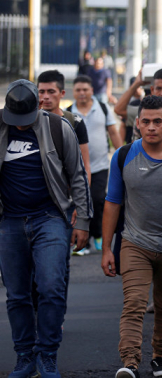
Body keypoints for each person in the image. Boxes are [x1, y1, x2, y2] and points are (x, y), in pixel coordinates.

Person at [100, 95, 162, 378]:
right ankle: (130, 362)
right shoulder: (123, 156)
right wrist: (107, 248)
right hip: (135, 242)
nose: (151, 127)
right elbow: (112, 202)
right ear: (137, 124)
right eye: (145, 121)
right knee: (134, 302)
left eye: (158, 121)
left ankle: (159, 356)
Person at [0, 79, 91, 378]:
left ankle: (47, 354)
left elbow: (77, 176)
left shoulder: (57, 127)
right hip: (10, 222)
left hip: (49, 217)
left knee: (51, 286)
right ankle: (25, 356)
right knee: (16, 294)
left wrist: (84, 222)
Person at [68, 75, 123, 254]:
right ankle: (81, 241)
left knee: (98, 200)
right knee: (79, 202)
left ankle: (97, 234)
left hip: (100, 166)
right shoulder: (68, 113)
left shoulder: (103, 108)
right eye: (78, 90)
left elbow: (113, 133)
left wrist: (122, 154)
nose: (82, 93)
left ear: (92, 91)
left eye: (85, 89)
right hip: (76, 168)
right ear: (73, 92)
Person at [37, 70, 92, 183]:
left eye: (51, 91)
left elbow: (85, 164)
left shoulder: (74, 122)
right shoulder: (28, 122)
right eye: (41, 91)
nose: (46, 96)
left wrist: (83, 198)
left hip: (65, 192)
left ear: (62, 93)